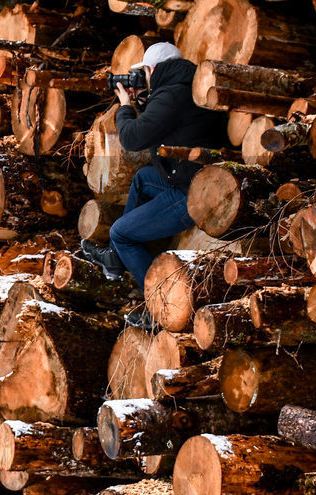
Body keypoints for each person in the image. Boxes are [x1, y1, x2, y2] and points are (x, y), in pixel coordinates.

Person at [81, 43, 228, 330]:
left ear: (151, 70)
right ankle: (115, 258)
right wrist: (143, 101)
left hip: (194, 193)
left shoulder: (172, 94)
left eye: (143, 73)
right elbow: (168, 121)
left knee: (121, 233)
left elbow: (133, 138)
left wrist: (125, 107)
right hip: (198, 176)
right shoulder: (185, 85)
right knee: (143, 178)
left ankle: (161, 303)